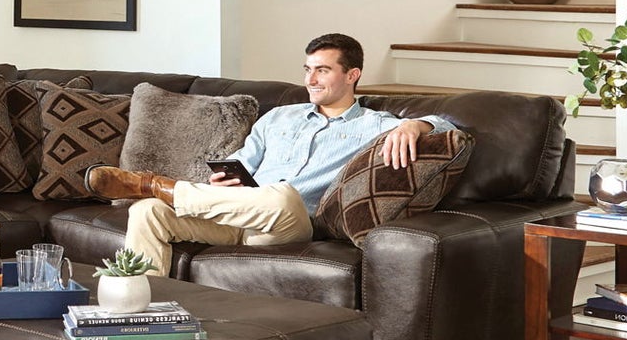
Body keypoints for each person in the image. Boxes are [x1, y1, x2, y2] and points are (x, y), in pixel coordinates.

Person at [85, 33, 458, 275]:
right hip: (238, 215)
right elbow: (243, 163)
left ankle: (156, 185)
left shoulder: (374, 125)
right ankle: (139, 308)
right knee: (148, 211)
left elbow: (450, 128)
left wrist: (416, 125)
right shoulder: (279, 116)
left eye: (322, 71)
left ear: (352, 75)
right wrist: (223, 180)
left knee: (282, 195)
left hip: (290, 223)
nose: (310, 80)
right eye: (308, 70)